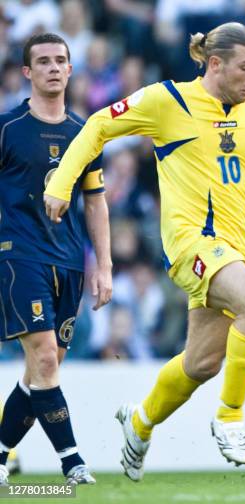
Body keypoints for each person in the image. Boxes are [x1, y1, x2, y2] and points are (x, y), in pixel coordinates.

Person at [43, 22, 245, 481]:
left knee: (201, 363)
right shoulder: (168, 101)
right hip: (192, 245)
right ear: (214, 63)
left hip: (239, 251)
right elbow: (99, 124)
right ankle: (231, 417)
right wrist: (63, 182)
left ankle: (139, 422)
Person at [0, 33, 112, 486]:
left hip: (68, 262)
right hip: (18, 256)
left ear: (70, 70)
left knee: (43, 369)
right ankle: (73, 461)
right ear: (27, 72)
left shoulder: (84, 134)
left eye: (60, 61)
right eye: (42, 61)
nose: (52, 67)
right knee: (45, 358)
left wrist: (103, 265)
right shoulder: (7, 129)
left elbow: (96, 202)